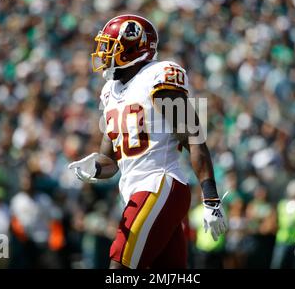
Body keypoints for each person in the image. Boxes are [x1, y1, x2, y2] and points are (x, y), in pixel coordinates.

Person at [68, 14, 227, 269]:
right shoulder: (110, 91)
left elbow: (194, 138)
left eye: (112, 46)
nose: (104, 53)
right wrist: (95, 167)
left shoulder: (158, 77)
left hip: (159, 184)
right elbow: (110, 161)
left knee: (119, 268)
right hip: (137, 191)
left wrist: (210, 198)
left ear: (134, 47)